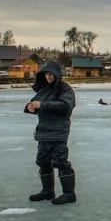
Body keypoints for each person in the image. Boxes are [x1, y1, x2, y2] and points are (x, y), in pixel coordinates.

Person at [24, 61, 77, 204]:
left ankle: (69, 194)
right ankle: (47, 191)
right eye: (46, 74)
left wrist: (42, 105)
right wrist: (30, 107)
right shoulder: (44, 90)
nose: (48, 77)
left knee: (60, 161)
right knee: (43, 161)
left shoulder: (65, 89)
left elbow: (65, 106)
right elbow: (35, 103)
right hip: (43, 131)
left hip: (58, 132)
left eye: (50, 74)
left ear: (56, 74)